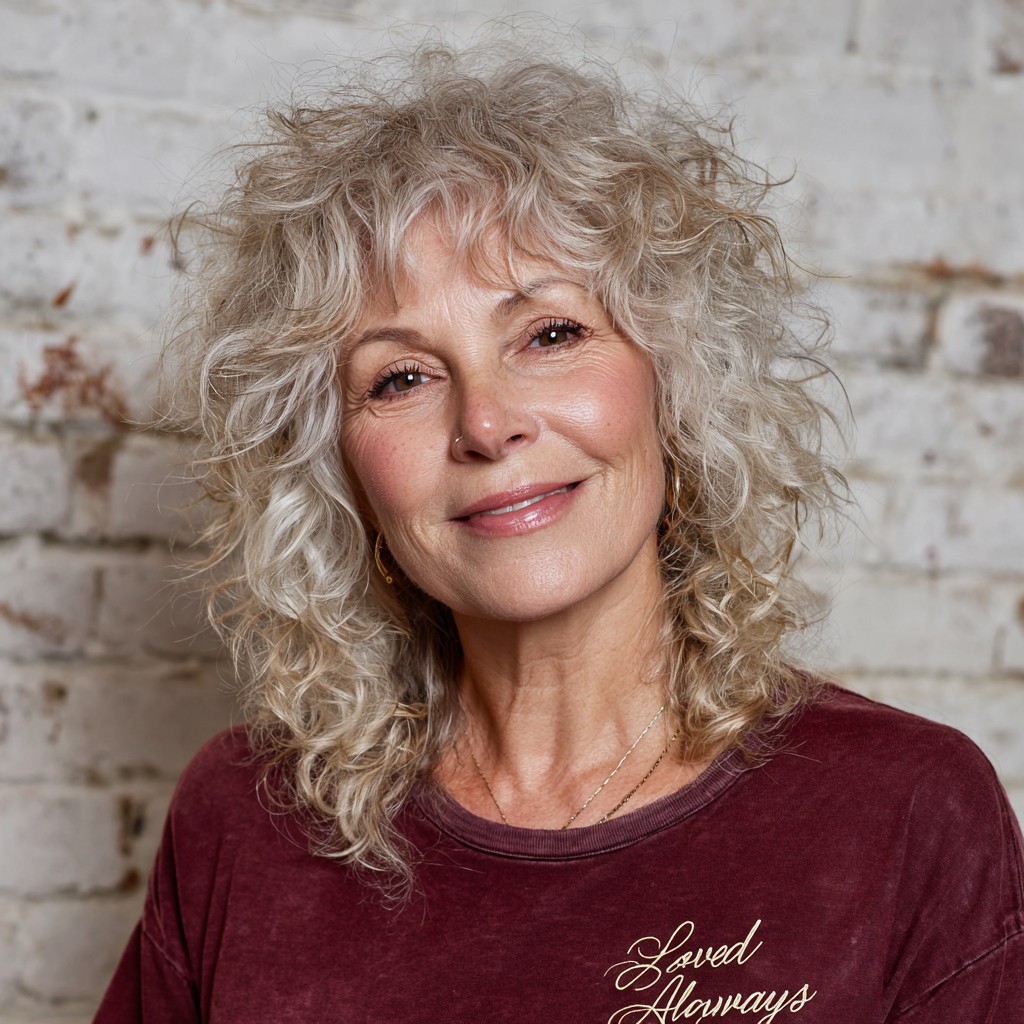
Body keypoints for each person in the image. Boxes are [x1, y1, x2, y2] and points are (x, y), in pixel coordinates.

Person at [94, 39, 1023, 1023]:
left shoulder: (903, 809)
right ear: (339, 472)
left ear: (674, 381)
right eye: (401, 377)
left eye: (550, 334)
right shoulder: (240, 817)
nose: (487, 424)